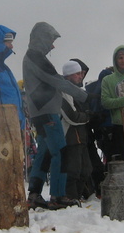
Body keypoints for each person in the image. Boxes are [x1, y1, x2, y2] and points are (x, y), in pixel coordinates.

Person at [23, 22, 88, 210]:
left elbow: (54, 80)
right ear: (42, 38)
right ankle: (58, 196)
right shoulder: (36, 57)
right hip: (46, 111)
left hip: (40, 111)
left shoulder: (34, 57)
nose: (53, 45)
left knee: (44, 152)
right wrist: (85, 96)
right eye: (51, 40)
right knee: (61, 151)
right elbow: (57, 80)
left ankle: (34, 194)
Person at [60, 61, 93, 202]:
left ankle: (76, 197)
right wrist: (88, 116)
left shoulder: (77, 93)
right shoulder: (63, 91)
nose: (81, 76)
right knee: (72, 170)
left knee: (85, 169)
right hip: (70, 136)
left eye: (81, 73)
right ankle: (70, 197)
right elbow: (71, 116)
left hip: (81, 136)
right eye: (77, 74)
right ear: (68, 76)